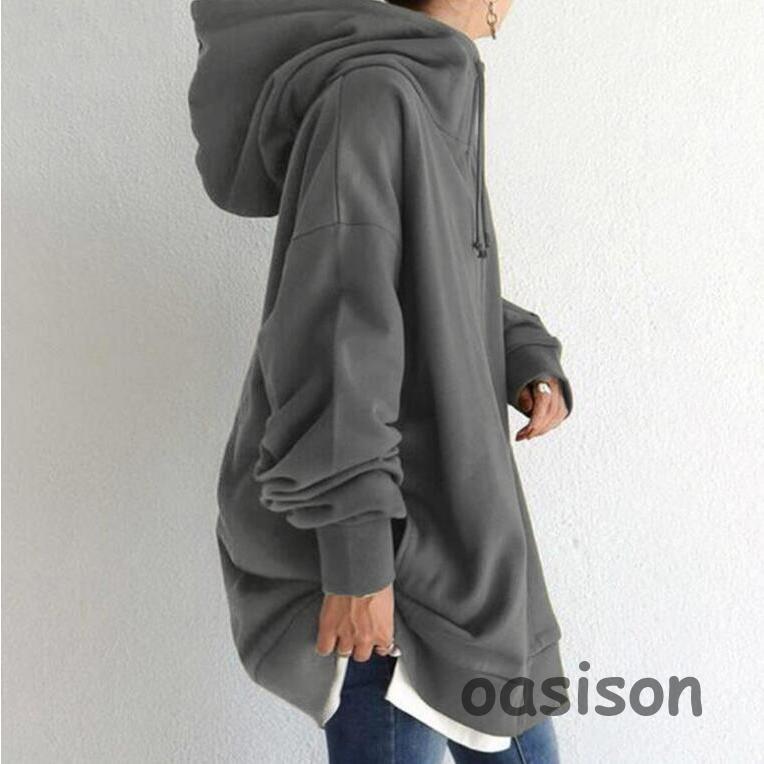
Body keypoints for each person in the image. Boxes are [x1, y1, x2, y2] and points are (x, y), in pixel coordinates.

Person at [188, 0, 573, 761]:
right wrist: (357, 561)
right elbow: (333, 335)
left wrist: (522, 353)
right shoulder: (371, 97)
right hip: (386, 562)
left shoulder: (429, 92)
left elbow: (434, 281)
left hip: (462, 544)